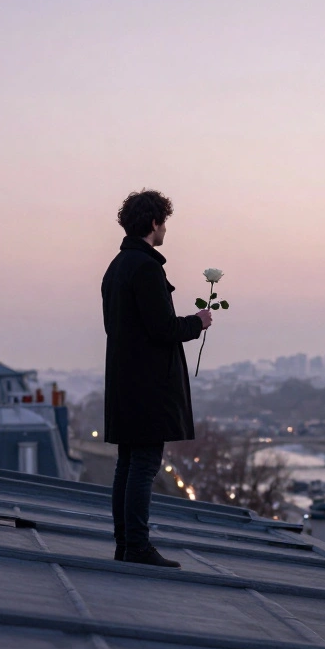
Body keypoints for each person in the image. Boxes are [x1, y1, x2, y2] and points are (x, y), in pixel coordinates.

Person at [102, 189, 211, 568]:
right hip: (148, 386)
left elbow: (115, 327)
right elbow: (161, 328)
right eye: (164, 221)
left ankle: (125, 544)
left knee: (128, 464)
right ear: (154, 223)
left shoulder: (116, 267)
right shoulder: (147, 268)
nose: (166, 229)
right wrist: (196, 323)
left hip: (123, 382)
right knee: (145, 465)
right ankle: (138, 546)